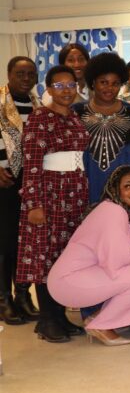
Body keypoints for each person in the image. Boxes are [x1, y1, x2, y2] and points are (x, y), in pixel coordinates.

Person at [16, 65, 90, 343]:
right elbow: (32, 164)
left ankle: (59, 317)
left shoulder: (75, 117)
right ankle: (47, 320)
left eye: (71, 85)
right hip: (49, 196)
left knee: (64, 258)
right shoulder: (39, 118)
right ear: (48, 89)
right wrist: (34, 204)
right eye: (59, 86)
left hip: (74, 196)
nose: (66, 91)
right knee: (45, 258)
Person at [47, 166, 130, 346]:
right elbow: (115, 258)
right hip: (68, 281)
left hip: (75, 277)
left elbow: (126, 246)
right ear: (116, 189)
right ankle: (102, 326)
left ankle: (99, 319)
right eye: (128, 186)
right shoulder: (113, 210)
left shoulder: (123, 211)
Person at [76, 53, 130, 203]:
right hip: (84, 187)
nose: (109, 88)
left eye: (115, 83)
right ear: (93, 82)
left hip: (125, 191)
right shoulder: (77, 112)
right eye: (103, 82)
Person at [0, 56, 40, 324]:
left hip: (31, 182)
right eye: (20, 74)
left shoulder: (38, 105)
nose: (26, 79)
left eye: (30, 74)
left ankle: (23, 296)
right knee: (4, 242)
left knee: (27, 243)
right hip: (4, 182)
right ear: (9, 74)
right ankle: (3, 299)